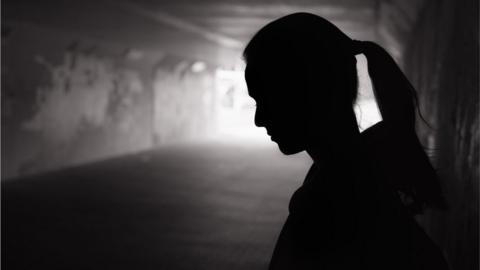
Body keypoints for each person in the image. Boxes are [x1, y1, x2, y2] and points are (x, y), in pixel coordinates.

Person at [243, 13, 449, 270]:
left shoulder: (328, 204)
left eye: (269, 100)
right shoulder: (361, 169)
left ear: (312, 93)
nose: (259, 120)